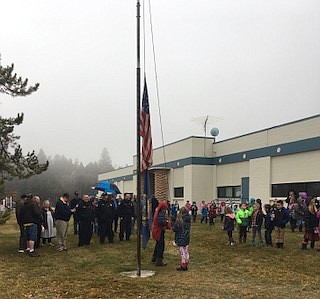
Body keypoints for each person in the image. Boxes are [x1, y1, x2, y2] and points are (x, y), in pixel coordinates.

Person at [152, 201, 170, 266]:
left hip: (156, 231)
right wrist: (167, 222)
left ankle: (154, 257)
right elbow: (161, 221)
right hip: (159, 231)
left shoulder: (157, 212)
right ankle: (159, 260)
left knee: (158, 244)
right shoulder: (161, 213)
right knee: (161, 245)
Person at [172, 206, 191, 271]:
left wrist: (173, 222)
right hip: (186, 237)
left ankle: (183, 265)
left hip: (180, 237)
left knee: (182, 251)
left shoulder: (180, 220)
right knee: (186, 251)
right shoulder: (188, 219)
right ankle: (186, 263)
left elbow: (175, 229)